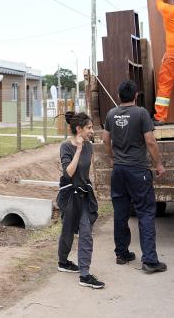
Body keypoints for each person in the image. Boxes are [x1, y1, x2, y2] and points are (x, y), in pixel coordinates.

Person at [102, 80, 167, 273]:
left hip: (119, 171)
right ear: (135, 96)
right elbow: (150, 141)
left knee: (121, 212)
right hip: (138, 170)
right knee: (145, 213)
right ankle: (149, 261)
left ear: (118, 96)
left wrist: (112, 158)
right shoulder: (141, 113)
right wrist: (158, 164)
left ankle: (122, 253)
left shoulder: (111, 114)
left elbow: (105, 138)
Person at [57, 111, 104, 289]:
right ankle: (63, 262)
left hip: (84, 193)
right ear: (79, 129)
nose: (92, 131)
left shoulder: (89, 147)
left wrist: (92, 187)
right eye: (89, 128)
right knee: (68, 230)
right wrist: (77, 150)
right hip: (69, 194)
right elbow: (68, 172)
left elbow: (86, 171)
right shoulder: (66, 147)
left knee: (85, 231)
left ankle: (84, 274)